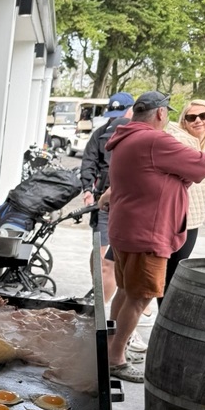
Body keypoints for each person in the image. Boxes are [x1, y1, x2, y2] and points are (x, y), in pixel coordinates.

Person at [101, 91, 205, 383]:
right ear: (161, 113)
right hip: (148, 234)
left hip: (127, 229)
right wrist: (183, 169)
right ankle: (115, 359)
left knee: (125, 291)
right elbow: (203, 165)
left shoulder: (126, 137)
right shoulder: (155, 140)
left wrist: (176, 175)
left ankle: (110, 347)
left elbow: (160, 174)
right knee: (140, 298)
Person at [79, 92, 134, 304]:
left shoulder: (141, 136)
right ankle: (99, 296)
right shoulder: (100, 134)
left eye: (120, 114)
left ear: (131, 111)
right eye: (113, 115)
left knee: (111, 261)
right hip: (103, 203)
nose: (115, 119)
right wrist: (87, 190)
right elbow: (88, 162)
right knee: (99, 255)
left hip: (129, 205)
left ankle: (101, 305)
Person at [163, 99, 205, 299]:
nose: (198, 120)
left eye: (203, 116)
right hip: (174, 219)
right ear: (184, 121)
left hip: (194, 219)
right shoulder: (179, 143)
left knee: (175, 272)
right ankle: (162, 313)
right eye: (191, 117)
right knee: (167, 274)